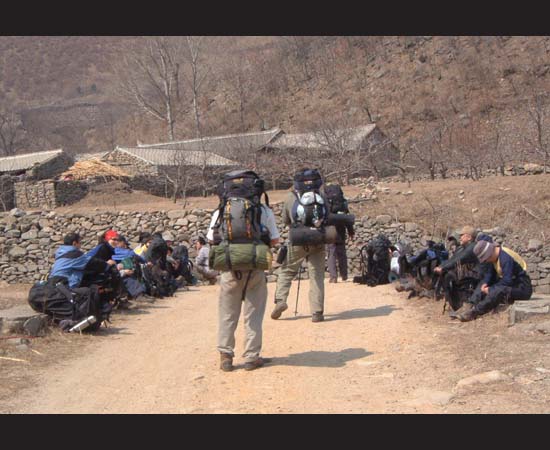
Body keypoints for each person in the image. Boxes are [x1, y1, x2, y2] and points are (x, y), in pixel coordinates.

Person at [207, 169, 280, 372]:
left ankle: (226, 356)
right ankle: (251, 357)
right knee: (253, 314)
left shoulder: (221, 210)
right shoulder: (263, 210)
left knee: (227, 313)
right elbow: (275, 240)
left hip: (230, 267)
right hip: (255, 266)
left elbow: (211, 239)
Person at [271, 168, 329, 323]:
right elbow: (327, 216)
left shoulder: (291, 197)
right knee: (316, 276)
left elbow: (286, 220)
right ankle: (317, 312)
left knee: (287, 271)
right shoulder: (321, 195)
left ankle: (280, 300)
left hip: (298, 239)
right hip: (318, 239)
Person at [454, 240, 533, 322]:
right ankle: (471, 305)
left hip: (522, 288)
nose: (486, 261)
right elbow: (490, 273)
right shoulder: (496, 257)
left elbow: (507, 281)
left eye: (485, 259)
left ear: (489, 254)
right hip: (513, 285)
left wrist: (491, 289)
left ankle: (474, 312)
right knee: (486, 285)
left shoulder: (505, 258)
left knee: (498, 290)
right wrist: (486, 283)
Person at [49, 232, 115, 289]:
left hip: (54, 283)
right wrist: (107, 265)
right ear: (74, 243)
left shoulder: (61, 254)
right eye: (80, 243)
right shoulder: (74, 254)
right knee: (90, 292)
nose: (80, 246)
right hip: (66, 285)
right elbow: (92, 262)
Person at [325, 184, 355, 283]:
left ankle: (333, 277)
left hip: (330, 229)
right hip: (341, 228)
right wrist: (351, 231)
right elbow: (347, 218)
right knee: (342, 252)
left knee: (331, 252)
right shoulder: (343, 202)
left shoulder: (326, 202)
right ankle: (344, 275)